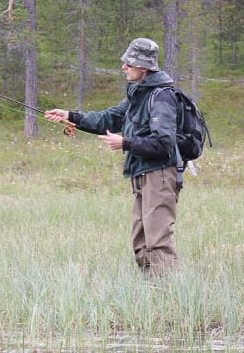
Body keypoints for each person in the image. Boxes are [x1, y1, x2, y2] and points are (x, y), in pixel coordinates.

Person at [45, 38, 180, 277]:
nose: (123, 67)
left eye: (129, 63)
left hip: (159, 175)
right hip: (140, 174)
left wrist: (125, 143)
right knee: (140, 241)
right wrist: (70, 116)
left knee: (157, 241)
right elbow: (108, 119)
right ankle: (152, 293)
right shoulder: (137, 94)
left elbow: (164, 143)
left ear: (144, 67)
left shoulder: (162, 97)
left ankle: (169, 299)